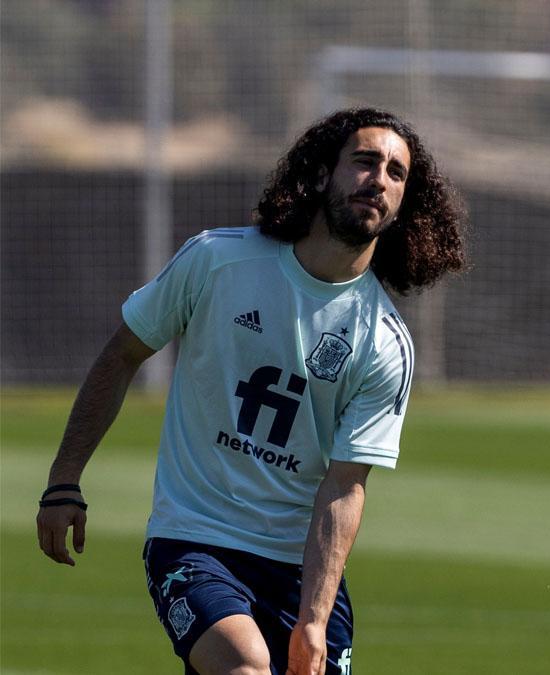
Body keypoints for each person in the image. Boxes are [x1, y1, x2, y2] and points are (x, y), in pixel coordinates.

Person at [36, 107, 467, 674]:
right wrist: (63, 481)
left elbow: (344, 485)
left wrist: (314, 619)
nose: (379, 179)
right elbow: (122, 356)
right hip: (194, 540)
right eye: (364, 161)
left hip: (299, 571)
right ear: (320, 174)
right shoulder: (217, 260)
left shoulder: (386, 342)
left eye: (395, 172)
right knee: (246, 666)